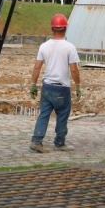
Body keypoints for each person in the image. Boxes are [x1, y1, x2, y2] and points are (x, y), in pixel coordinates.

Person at [29, 14, 82, 153]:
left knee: (44, 114)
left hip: (47, 87)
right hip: (62, 88)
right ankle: (59, 143)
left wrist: (33, 84)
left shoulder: (44, 46)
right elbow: (74, 69)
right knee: (62, 115)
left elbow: (37, 67)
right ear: (65, 28)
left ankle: (36, 141)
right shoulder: (69, 47)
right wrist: (78, 86)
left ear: (52, 28)